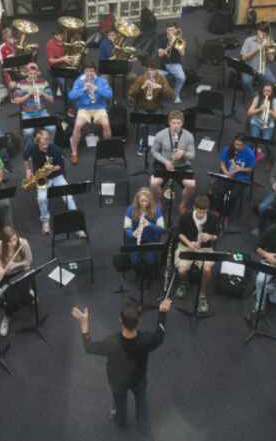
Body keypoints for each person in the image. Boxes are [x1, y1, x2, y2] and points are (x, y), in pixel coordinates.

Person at [71, 298, 172, 440]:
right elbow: (160, 336)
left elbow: (89, 347)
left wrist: (84, 323)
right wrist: (162, 313)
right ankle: (143, 427)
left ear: (120, 320)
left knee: (119, 402)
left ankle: (121, 420)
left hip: (117, 382)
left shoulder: (110, 342)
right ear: (139, 322)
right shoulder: (146, 340)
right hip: (138, 379)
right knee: (141, 402)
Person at [173, 195, 221, 315]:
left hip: (205, 249)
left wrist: (210, 236)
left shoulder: (213, 218)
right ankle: (184, 283)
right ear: (195, 208)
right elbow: (179, 233)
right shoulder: (186, 216)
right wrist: (189, 243)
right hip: (187, 246)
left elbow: (217, 235)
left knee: (207, 269)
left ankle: (202, 295)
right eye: (199, 211)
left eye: (204, 212)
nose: (201, 214)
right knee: (181, 270)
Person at [23, 129, 77, 234]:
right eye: (42, 144)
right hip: (42, 178)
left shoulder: (55, 149)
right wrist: (28, 171)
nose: (45, 146)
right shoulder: (31, 148)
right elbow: (25, 158)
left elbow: (60, 166)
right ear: (36, 142)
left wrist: (50, 170)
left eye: (47, 142)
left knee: (69, 195)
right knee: (41, 198)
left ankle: (76, 220)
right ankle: (45, 221)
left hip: (56, 175)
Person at [150, 110, 196, 214]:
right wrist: (165, 161)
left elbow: (192, 155)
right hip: (164, 164)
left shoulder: (189, 136)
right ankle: (157, 203)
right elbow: (154, 151)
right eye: (173, 123)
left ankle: (183, 204)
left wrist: (183, 153)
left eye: (178, 123)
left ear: (182, 123)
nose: (176, 126)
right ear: (169, 122)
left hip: (182, 165)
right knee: (153, 183)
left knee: (191, 185)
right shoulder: (160, 134)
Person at [0, 227, 33, 337]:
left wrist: (16, 265)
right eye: (9, 242)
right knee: (11, 301)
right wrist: (0, 268)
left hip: (21, 271)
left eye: (14, 239)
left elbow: (29, 261)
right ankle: (7, 317)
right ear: (4, 242)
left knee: (25, 298)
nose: (13, 243)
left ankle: (27, 293)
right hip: (7, 274)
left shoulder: (23, 243)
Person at [68, 62, 113, 165]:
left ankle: (108, 149)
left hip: (99, 108)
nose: (89, 73)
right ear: (84, 72)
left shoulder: (101, 81)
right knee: (78, 125)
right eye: (87, 71)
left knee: (106, 124)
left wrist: (97, 88)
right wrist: (83, 89)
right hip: (84, 108)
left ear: (95, 71)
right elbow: (71, 96)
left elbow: (109, 95)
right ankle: (74, 152)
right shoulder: (79, 81)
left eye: (91, 71)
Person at [127, 65, 174, 154]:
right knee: (143, 125)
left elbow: (172, 96)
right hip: (142, 107)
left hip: (157, 106)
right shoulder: (141, 78)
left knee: (161, 124)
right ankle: (144, 145)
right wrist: (142, 86)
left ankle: (160, 145)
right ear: (147, 69)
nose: (151, 73)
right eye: (149, 70)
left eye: (154, 70)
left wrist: (160, 87)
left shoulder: (161, 79)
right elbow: (130, 93)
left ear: (157, 70)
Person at [13, 62, 55, 152]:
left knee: (52, 128)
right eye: (30, 73)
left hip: (42, 111)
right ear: (27, 73)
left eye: (34, 73)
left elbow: (51, 100)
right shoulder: (20, 84)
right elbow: (16, 101)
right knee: (28, 132)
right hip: (27, 113)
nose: (32, 76)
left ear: (38, 73)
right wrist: (28, 94)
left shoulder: (44, 82)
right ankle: (30, 150)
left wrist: (42, 93)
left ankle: (50, 148)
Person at [212, 134, 255, 220]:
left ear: (244, 144)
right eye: (235, 144)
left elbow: (250, 168)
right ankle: (218, 210)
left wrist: (240, 169)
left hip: (240, 178)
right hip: (227, 174)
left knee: (233, 196)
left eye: (239, 145)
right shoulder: (229, 149)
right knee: (218, 191)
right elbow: (222, 163)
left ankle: (227, 214)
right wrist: (226, 172)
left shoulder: (249, 153)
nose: (236, 147)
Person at [123, 188, 166, 272]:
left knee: (150, 261)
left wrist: (149, 224)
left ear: (150, 200)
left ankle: (150, 274)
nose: (144, 203)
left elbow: (162, 229)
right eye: (142, 201)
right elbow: (127, 228)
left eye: (146, 201)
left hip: (151, 240)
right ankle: (138, 272)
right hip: (135, 240)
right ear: (137, 200)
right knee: (135, 262)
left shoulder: (157, 210)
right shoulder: (130, 209)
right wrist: (132, 233)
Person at [239, 22, 276, 98]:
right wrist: (259, 48)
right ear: (257, 31)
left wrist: (267, 48)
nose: (262, 34)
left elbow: (271, 59)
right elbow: (243, 58)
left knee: (273, 81)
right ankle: (254, 97)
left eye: (265, 32)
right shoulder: (249, 40)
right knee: (246, 82)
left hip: (262, 68)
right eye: (260, 31)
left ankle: (263, 95)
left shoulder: (270, 42)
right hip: (249, 67)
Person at [246, 83, 276, 162]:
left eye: (269, 91)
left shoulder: (275, 101)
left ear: (272, 92)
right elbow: (249, 112)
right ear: (262, 91)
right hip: (256, 123)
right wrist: (260, 109)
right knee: (253, 139)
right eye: (265, 91)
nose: (267, 93)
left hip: (268, 125)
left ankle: (270, 159)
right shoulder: (257, 98)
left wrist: (269, 109)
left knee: (266, 142)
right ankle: (249, 155)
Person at [156, 22, 186, 103]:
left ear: (176, 30)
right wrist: (169, 46)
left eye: (172, 30)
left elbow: (182, 53)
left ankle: (175, 95)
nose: (170, 32)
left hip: (175, 64)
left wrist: (175, 41)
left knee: (181, 78)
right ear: (166, 30)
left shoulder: (179, 39)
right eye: (169, 30)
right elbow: (160, 54)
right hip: (163, 65)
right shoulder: (161, 38)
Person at [0, 27, 18, 91]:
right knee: (13, 85)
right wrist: (12, 51)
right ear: (5, 38)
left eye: (11, 36)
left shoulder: (16, 44)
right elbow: (3, 63)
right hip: (8, 71)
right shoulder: (1, 48)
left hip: (18, 69)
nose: (11, 38)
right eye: (9, 37)